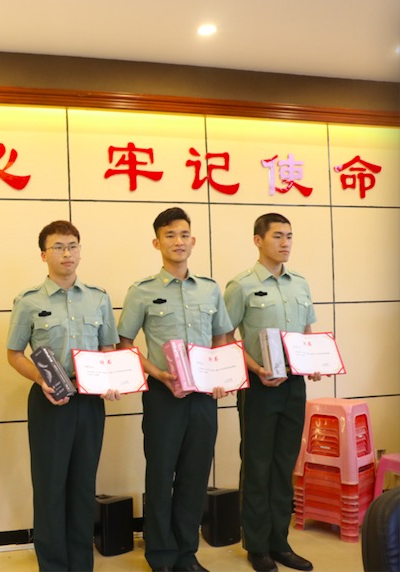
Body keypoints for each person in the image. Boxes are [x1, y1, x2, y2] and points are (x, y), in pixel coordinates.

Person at [116, 207, 233, 572]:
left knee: (195, 476)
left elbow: (223, 337)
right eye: (169, 235)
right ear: (157, 243)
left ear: (193, 241)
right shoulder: (142, 292)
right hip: (162, 396)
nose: (178, 241)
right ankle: (160, 555)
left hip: (203, 397)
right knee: (160, 474)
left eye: (183, 235)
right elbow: (124, 345)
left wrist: (222, 375)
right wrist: (157, 373)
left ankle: (186, 554)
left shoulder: (210, 290)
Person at [6, 220, 120, 571]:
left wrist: (111, 379)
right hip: (49, 400)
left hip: (90, 400)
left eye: (72, 246)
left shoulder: (98, 298)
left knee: (83, 485)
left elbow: (108, 348)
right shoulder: (29, 301)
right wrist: (40, 379)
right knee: (50, 486)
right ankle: (53, 565)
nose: (66, 253)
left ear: (80, 251)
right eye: (58, 247)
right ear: (44, 255)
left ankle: (81, 563)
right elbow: (14, 354)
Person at [224, 213, 320, 572]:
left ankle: (280, 542)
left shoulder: (300, 284)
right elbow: (225, 338)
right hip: (259, 387)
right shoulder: (242, 285)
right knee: (258, 465)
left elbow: (307, 332)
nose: (285, 243)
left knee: (284, 465)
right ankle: (257, 545)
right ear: (258, 240)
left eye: (289, 236)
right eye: (277, 236)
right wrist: (256, 368)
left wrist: (314, 360)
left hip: (294, 385)